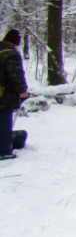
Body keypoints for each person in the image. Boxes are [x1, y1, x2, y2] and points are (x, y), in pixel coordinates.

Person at [0, 29, 29, 161]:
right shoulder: (10, 54)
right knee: (4, 120)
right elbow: (15, 74)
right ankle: (4, 150)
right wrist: (22, 90)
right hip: (4, 94)